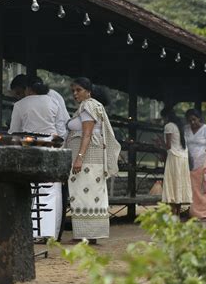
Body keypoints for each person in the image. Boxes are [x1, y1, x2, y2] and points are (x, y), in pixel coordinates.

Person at [64, 77, 121, 244]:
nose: (75, 94)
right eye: (73, 90)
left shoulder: (88, 105)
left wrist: (79, 158)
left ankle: (86, 235)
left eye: (78, 90)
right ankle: (90, 235)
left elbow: (87, 134)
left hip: (87, 159)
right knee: (91, 194)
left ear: (88, 91)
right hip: (90, 158)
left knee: (84, 195)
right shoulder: (91, 106)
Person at [8, 76, 64, 240]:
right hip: (50, 145)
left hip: (29, 145)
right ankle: (49, 233)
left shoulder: (19, 105)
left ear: (28, 89)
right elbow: (61, 128)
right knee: (51, 188)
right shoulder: (53, 101)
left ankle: (33, 231)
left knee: (32, 188)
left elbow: (14, 131)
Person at [10, 74, 70, 139]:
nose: (19, 97)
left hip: (29, 143)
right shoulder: (54, 102)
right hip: (52, 143)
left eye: (19, 93)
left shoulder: (19, 104)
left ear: (28, 89)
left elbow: (15, 132)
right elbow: (61, 131)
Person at [160, 107, 192, 217]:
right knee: (179, 184)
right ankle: (177, 213)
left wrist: (159, 143)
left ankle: (173, 214)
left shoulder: (168, 126)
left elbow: (168, 146)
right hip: (183, 158)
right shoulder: (180, 126)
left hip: (174, 157)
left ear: (166, 117)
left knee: (172, 185)